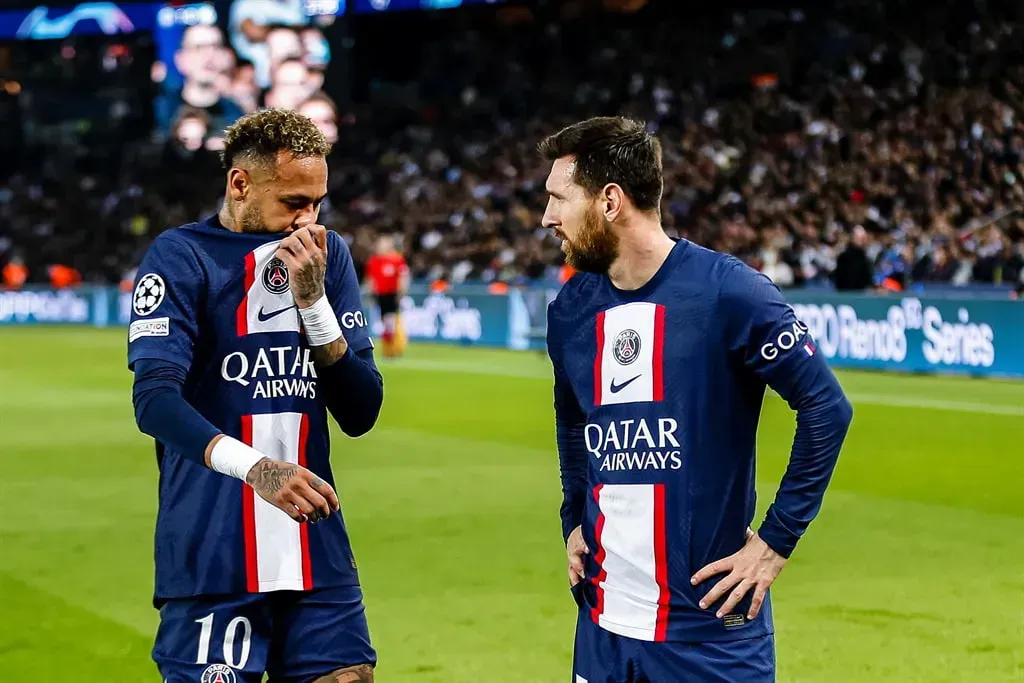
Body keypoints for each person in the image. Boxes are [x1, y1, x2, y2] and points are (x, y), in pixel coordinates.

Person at [541, 116, 853, 683]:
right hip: (603, 629)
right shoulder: (571, 310)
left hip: (710, 638)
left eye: (559, 198)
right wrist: (573, 517)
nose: (547, 217)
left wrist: (776, 541)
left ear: (609, 201)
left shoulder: (729, 292)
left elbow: (826, 407)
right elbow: (572, 421)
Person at [129, 108, 382, 683]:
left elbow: (361, 411)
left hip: (314, 548)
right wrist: (258, 469)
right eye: (293, 202)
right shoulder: (181, 256)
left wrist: (314, 305)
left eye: (317, 203)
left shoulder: (327, 257)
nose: (307, 220)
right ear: (240, 184)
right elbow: (155, 401)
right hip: (214, 549)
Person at [364, 235, 409, 358]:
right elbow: (370, 278)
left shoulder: (397, 260)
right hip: (380, 295)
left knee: (392, 321)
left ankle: (395, 347)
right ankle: (389, 348)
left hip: (392, 294)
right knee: (385, 322)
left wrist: (401, 292)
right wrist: (371, 292)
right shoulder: (374, 260)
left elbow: (403, 277)